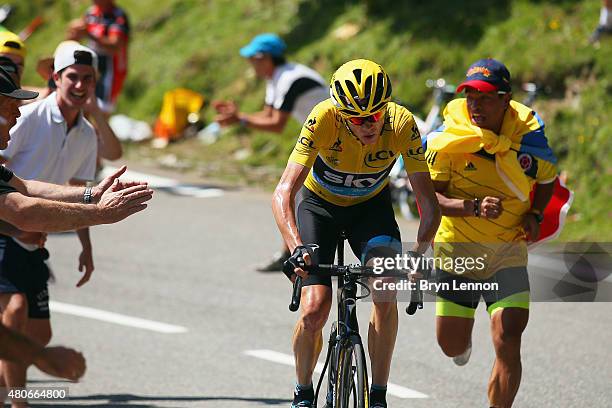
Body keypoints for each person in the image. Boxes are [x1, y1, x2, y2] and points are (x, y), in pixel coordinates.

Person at [272, 59, 441, 408]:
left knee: (384, 290)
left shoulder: (402, 123)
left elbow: (429, 204)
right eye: (358, 119)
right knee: (315, 308)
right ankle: (303, 393)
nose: (369, 125)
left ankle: (377, 395)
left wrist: (417, 254)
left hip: (370, 209)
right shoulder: (323, 118)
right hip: (319, 207)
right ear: (341, 114)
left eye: (375, 116)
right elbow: (283, 193)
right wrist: (296, 248)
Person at [424, 59, 558, 408]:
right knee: (451, 344)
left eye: (484, 97)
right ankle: (462, 344)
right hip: (458, 251)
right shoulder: (449, 139)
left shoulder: (528, 140)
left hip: (507, 252)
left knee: (508, 337)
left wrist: (535, 212)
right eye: (469, 96)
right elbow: (430, 198)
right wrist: (472, 206)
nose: (475, 105)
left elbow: (546, 179)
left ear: (505, 99)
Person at [0, 43, 117, 406]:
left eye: (88, 79)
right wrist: (101, 211)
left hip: (32, 236)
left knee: (37, 333)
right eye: (72, 77)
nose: (80, 86)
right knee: (15, 312)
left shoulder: (84, 133)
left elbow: (35, 189)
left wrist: (91, 208)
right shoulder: (32, 117)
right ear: (55, 77)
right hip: (11, 231)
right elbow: (19, 205)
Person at [215, 33, 329, 272]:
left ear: (265, 58)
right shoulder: (276, 78)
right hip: (320, 140)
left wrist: (240, 119)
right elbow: (268, 115)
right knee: (298, 195)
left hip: (333, 140)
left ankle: (300, 256)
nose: (250, 65)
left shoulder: (292, 79)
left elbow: (276, 124)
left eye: (252, 60)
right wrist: (239, 118)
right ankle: (292, 254)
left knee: (299, 195)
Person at [67, 0, 129, 115]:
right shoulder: (91, 13)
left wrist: (89, 34)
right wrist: (73, 32)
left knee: (102, 112)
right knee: (83, 107)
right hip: (92, 66)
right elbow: (74, 37)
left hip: (111, 70)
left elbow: (114, 46)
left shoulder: (118, 17)